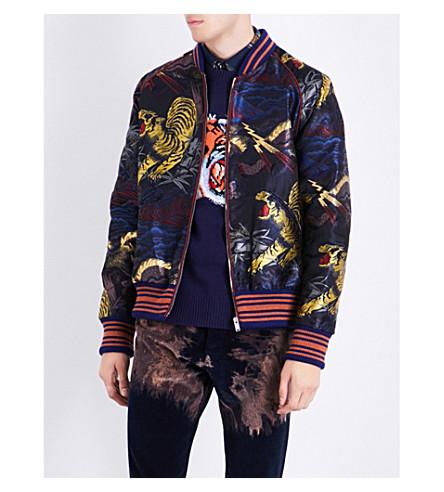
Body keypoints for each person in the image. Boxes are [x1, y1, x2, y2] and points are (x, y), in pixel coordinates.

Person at [97, 14, 351, 478]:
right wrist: (116, 329)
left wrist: (310, 343)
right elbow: (127, 210)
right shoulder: (157, 88)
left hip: (261, 337)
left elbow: (329, 223)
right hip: (162, 330)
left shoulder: (303, 88)